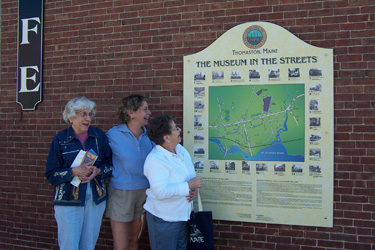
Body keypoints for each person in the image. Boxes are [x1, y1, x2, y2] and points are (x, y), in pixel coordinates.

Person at [45, 96, 113, 250]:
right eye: (83, 114)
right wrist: (73, 171)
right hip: (68, 200)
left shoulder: (99, 136)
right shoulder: (60, 139)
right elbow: (51, 173)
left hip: (95, 199)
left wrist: (98, 171)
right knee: (69, 245)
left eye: (90, 114)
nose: (88, 118)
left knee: (88, 245)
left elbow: (111, 165)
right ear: (71, 116)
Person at [144, 114, 202, 250]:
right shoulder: (154, 160)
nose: (179, 130)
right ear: (166, 137)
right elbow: (161, 192)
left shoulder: (180, 150)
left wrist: (193, 190)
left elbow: (188, 176)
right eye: (175, 128)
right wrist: (188, 186)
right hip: (164, 219)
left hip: (182, 216)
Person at [106, 94, 154, 250]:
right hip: (121, 193)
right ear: (131, 113)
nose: (149, 113)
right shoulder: (112, 135)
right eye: (145, 109)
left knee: (134, 241)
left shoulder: (150, 137)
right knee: (121, 245)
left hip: (144, 193)